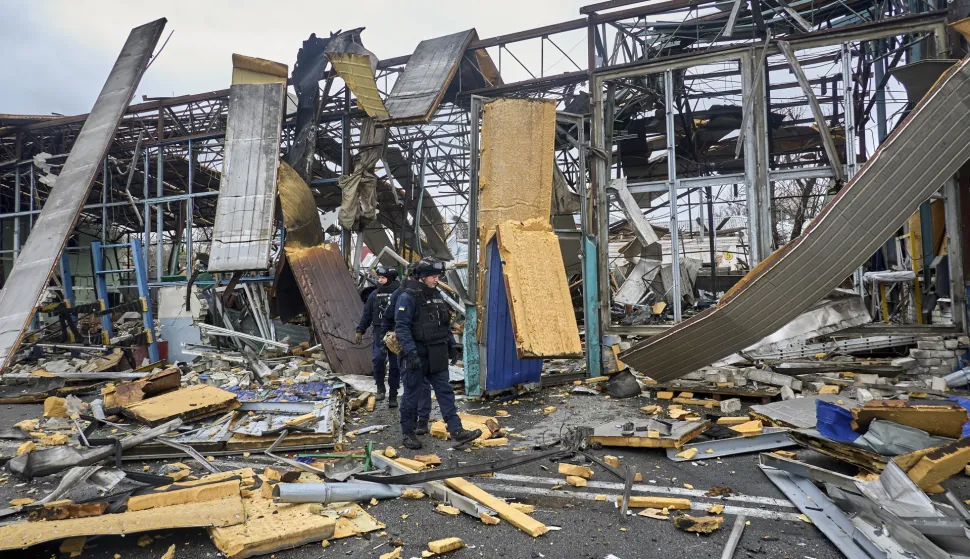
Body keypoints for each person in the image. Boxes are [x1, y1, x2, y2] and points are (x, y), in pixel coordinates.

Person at [395, 258, 480, 450]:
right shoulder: (407, 297)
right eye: (433, 276)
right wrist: (411, 354)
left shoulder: (436, 296)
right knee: (411, 396)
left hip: (437, 355)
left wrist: (451, 346)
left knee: (445, 393)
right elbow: (401, 328)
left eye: (437, 276)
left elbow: (444, 324)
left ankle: (456, 430)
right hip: (417, 356)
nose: (436, 279)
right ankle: (407, 434)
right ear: (422, 277)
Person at [382, 264, 433, 435]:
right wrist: (386, 339)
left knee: (424, 385)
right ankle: (409, 424)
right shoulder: (401, 295)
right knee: (411, 385)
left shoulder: (427, 293)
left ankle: (422, 420)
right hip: (405, 347)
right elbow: (388, 318)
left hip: (424, 346)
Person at [355, 266, 401, 407]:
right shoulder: (374, 295)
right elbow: (367, 315)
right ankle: (380, 387)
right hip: (379, 331)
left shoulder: (400, 294)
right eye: (379, 278)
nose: (380, 280)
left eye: (383, 278)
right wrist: (360, 330)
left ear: (390, 278)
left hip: (396, 333)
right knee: (378, 359)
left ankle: (393, 395)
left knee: (395, 366)